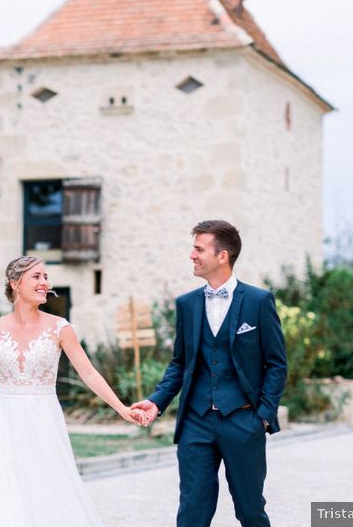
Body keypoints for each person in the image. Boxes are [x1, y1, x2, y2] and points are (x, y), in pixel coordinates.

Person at [0, 255, 142, 527]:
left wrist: (122, 409)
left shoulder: (60, 328)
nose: (44, 282)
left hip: (42, 419)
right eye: (36, 277)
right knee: (4, 492)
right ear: (15, 284)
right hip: (2, 422)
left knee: (47, 487)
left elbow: (89, 373)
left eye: (46, 277)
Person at [131, 220, 287, 527]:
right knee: (192, 512)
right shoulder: (187, 304)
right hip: (195, 423)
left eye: (199, 249)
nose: (192, 255)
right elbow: (180, 363)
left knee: (251, 511)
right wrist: (157, 401)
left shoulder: (258, 301)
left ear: (222, 255)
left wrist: (263, 417)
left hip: (243, 420)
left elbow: (277, 364)